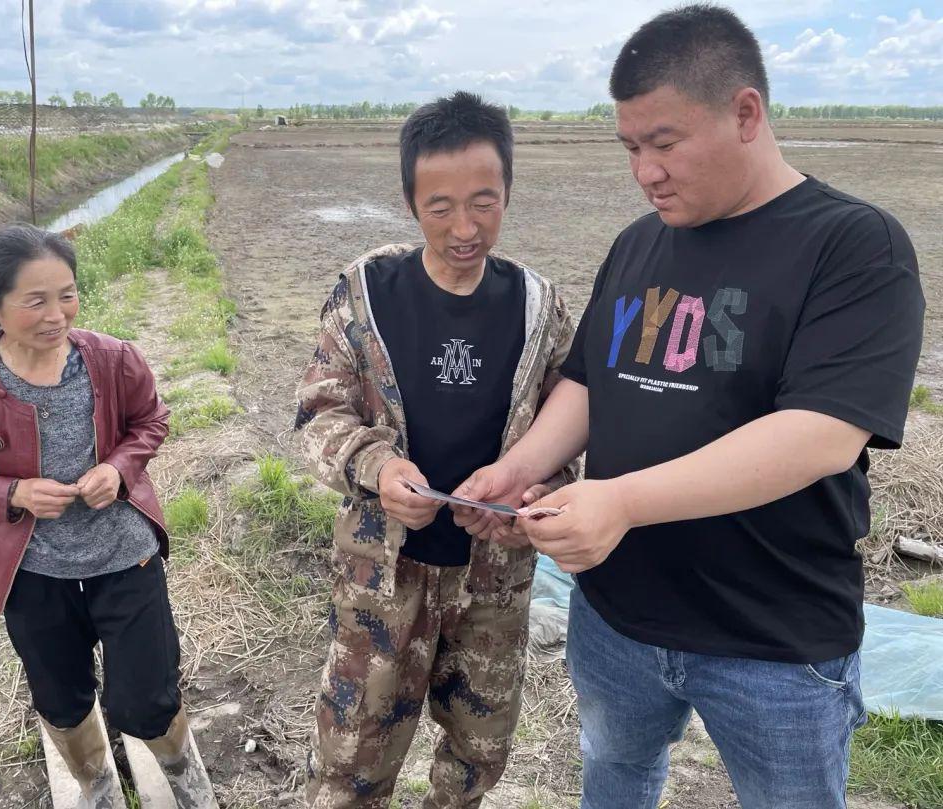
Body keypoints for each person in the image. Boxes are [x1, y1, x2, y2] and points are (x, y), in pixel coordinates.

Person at [453, 6, 925, 808]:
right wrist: (517, 468)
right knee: (617, 772)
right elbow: (590, 381)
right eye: (631, 148)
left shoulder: (853, 244)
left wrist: (623, 501)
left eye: (664, 143)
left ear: (745, 114)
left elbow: (820, 436)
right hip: (617, 613)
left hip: (772, 637)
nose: (646, 171)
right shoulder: (640, 242)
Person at [295, 91, 576, 807]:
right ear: (410, 200)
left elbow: (564, 437)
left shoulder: (539, 307)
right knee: (351, 759)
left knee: (475, 758)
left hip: (494, 583)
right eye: (440, 206)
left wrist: (535, 498)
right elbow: (319, 414)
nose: (464, 227)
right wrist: (377, 467)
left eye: (484, 202)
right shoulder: (365, 295)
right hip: (382, 578)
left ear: (508, 191)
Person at [0, 224, 216, 809]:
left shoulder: (113, 360)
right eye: (36, 300)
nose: (58, 315)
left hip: (124, 552)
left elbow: (151, 421)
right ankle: (95, 782)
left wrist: (122, 468)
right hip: (33, 567)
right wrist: (14, 492)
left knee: (148, 697)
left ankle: (180, 769)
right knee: (60, 697)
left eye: (68, 294)